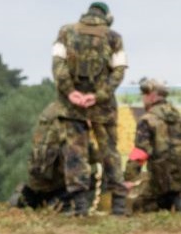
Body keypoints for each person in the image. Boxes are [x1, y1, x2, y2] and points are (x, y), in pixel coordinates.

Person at [53, 2, 129, 216]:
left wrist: (71, 92)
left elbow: (58, 66)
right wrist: (98, 95)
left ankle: (80, 206)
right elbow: (119, 71)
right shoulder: (114, 37)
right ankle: (119, 206)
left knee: (75, 152)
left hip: (72, 105)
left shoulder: (66, 32)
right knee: (109, 152)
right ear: (107, 16)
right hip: (102, 106)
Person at [129, 78, 181, 213]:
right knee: (177, 200)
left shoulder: (147, 120)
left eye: (145, 95)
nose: (143, 98)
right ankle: (180, 205)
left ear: (152, 96)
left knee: (136, 206)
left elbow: (140, 153)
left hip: (159, 180)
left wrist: (128, 178)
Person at [14, 102, 70, 209]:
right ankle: (60, 202)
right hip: (55, 183)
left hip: (36, 180)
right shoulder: (75, 115)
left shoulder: (51, 109)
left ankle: (26, 197)